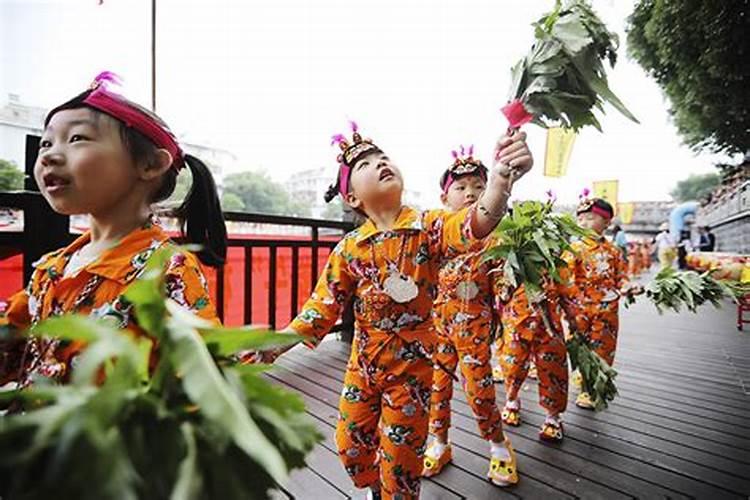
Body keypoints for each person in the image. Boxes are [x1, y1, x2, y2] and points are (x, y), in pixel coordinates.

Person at [278, 122, 533, 499]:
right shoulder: (349, 248)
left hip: (411, 373)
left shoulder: (429, 226)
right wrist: (274, 342)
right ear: (352, 198)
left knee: (401, 462)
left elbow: (475, 223)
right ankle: (373, 488)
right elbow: (321, 308)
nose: (381, 163)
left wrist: (499, 183)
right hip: (362, 368)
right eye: (366, 165)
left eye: (384, 158)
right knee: (350, 446)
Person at [0, 73, 226, 388]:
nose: (49, 155)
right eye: (46, 143)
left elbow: (204, 379)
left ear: (149, 165)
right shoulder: (54, 266)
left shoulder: (167, 270)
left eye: (77, 138)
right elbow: (15, 337)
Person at [421, 146, 512, 486]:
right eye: (460, 187)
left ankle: (499, 446)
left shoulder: (496, 237)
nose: (470, 193)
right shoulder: (435, 233)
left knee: (480, 389)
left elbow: (504, 279)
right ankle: (439, 443)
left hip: (474, 327)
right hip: (437, 329)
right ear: (444, 196)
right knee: (436, 388)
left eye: (478, 186)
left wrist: (507, 287)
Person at [561, 197, 642, 409]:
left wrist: (628, 287)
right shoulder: (573, 249)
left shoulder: (614, 251)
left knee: (602, 349)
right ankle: (582, 374)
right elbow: (565, 279)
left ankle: (591, 389)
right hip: (580, 310)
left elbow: (621, 277)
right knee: (580, 347)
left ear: (606, 222)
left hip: (607, 310)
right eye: (581, 219)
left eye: (590, 218)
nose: (584, 223)